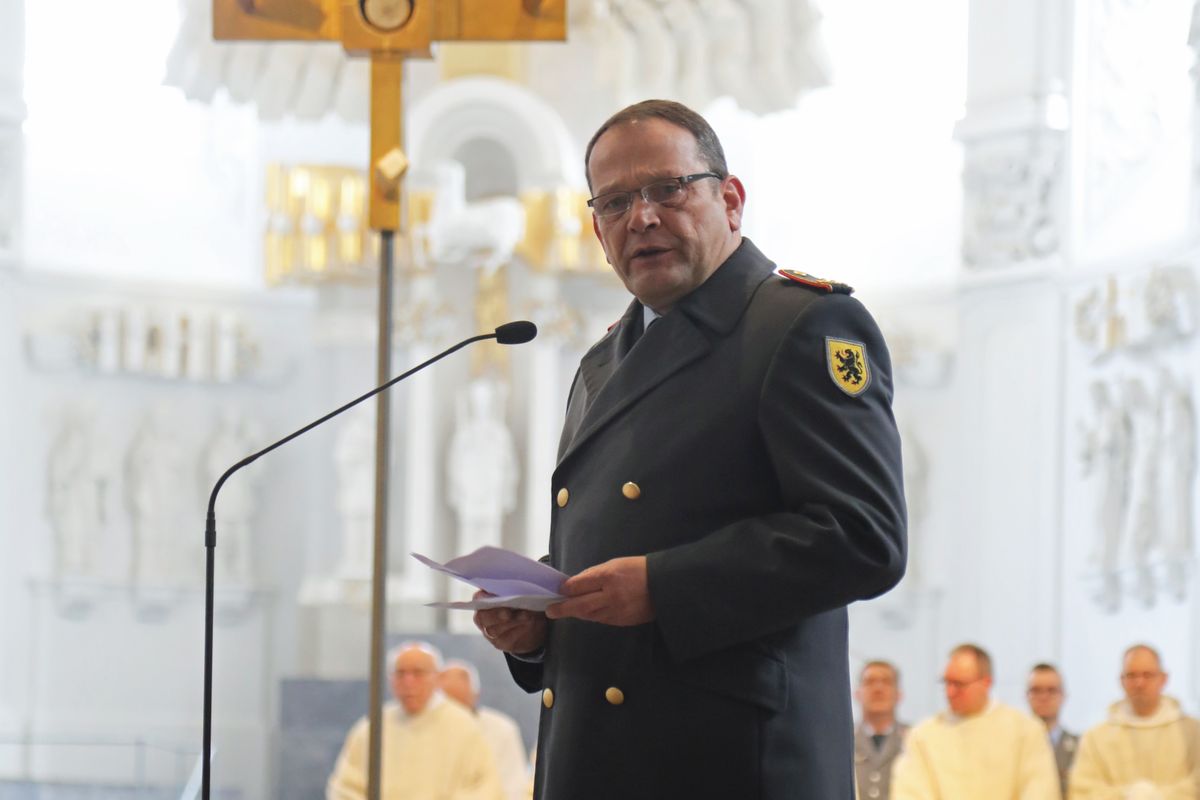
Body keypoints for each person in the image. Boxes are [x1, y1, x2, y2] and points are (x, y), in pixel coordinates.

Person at [473, 99, 907, 799]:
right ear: (596, 230)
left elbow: (864, 536)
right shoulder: (601, 362)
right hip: (601, 762)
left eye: (666, 189)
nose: (640, 217)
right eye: (614, 202)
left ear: (730, 200)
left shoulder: (798, 325)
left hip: (732, 766)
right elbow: (623, 539)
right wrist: (540, 621)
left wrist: (664, 586)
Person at [326, 642, 504, 800]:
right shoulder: (372, 727)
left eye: (418, 673)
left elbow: (484, 788)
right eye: (400, 674)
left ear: (436, 678)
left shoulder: (463, 726)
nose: (408, 682)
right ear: (390, 680)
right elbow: (345, 787)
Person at [891, 644, 1059, 800]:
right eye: (946, 682)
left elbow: (1039, 791)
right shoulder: (923, 735)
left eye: (958, 684)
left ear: (986, 683)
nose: (949, 692)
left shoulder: (1025, 730)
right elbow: (909, 792)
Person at [1069, 644, 1200, 799]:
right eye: (1132, 675)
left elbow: (1196, 786)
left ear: (1163, 679)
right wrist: (1127, 795)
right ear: (1121, 680)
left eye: (1147, 675)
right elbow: (1083, 791)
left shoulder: (1193, 732)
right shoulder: (1095, 737)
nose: (1139, 683)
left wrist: (1159, 796)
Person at [440, 658, 530, 800]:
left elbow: (514, 788)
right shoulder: (426, 729)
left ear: (476, 695)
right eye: (450, 705)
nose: (457, 714)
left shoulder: (502, 729)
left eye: (460, 705)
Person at [855, 660, 909, 800]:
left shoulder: (913, 740)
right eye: (869, 682)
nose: (878, 689)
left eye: (886, 682)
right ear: (857, 694)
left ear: (899, 694)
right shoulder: (842, 741)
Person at [1026, 662, 1079, 798]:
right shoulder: (1012, 746)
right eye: (1036, 690)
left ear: (1063, 695)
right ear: (1027, 695)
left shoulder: (1081, 748)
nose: (1044, 697)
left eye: (1051, 690)